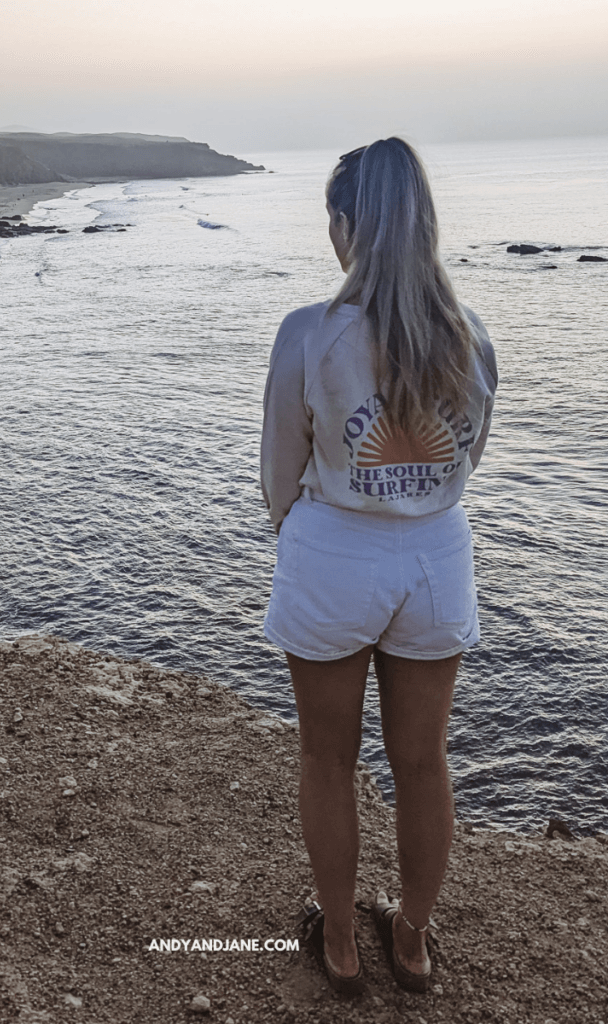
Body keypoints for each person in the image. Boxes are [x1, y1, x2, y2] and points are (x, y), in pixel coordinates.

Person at [260, 138, 497, 994]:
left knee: (328, 759)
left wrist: (313, 531)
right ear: (427, 226)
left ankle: (341, 947)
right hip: (437, 556)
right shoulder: (472, 341)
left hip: (334, 552)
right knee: (423, 761)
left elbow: (278, 475)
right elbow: (468, 459)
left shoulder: (309, 335)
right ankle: (412, 938)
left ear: (346, 227)